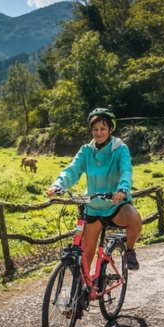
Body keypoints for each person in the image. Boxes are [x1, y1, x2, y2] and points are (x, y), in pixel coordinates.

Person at [47, 108, 142, 271]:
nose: (98, 133)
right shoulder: (86, 151)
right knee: (85, 254)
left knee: (134, 218)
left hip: (115, 203)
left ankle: (130, 250)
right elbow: (73, 169)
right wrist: (58, 184)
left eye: (103, 129)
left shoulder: (120, 149)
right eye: (95, 129)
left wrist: (122, 189)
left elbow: (126, 170)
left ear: (111, 129)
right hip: (93, 205)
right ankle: (82, 291)